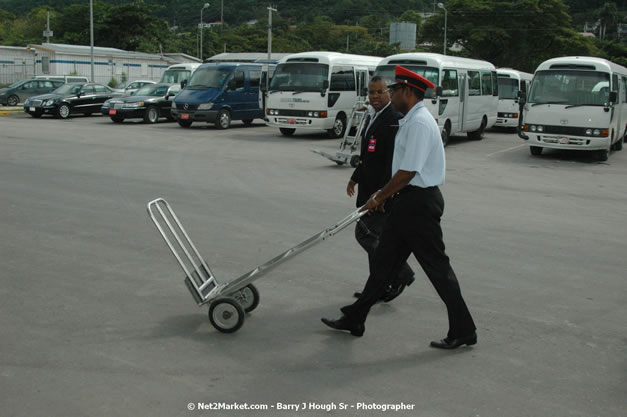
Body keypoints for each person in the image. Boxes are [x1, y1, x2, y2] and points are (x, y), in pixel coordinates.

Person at [322, 66, 477, 349]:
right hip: (406, 203)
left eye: (393, 91)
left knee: (438, 270)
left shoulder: (418, 122)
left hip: (418, 205)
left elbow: (408, 172)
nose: (389, 96)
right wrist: (388, 197)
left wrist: (379, 196)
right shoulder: (411, 119)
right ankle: (356, 317)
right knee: (383, 264)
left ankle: (464, 330)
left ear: (407, 91)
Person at [347, 75, 415, 302]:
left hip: (380, 194)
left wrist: (383, 194)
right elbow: (368, 155)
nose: (374, 96)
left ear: (389, 93)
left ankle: (400, 273)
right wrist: (355, 177)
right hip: (368, 189)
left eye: (379, 92)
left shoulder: (393, 119)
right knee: (376, 239)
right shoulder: (373, 116)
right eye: (371, 92)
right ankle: (378, 287)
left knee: (366, 235)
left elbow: (390, 163)